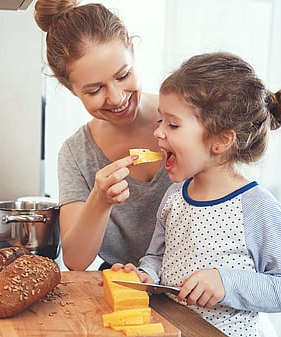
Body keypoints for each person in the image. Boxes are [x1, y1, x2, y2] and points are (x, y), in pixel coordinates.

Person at [114, 52, 281, 337]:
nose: (158, 133)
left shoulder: (257, 208)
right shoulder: (173, 197)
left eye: (173, 124)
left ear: (221, 140)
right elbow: (157, 257)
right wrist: (146, 276)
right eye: (160, 121)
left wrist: (227, 283)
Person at [34, 0, 173, 271]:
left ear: (132, 51)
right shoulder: (77, 153)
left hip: (200, 290)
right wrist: (100, 199)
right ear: (71, 88)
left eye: (123, 75)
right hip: (123, 289)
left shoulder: (188, 120)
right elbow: (75, 260)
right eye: (94, 90)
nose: (117, 98)